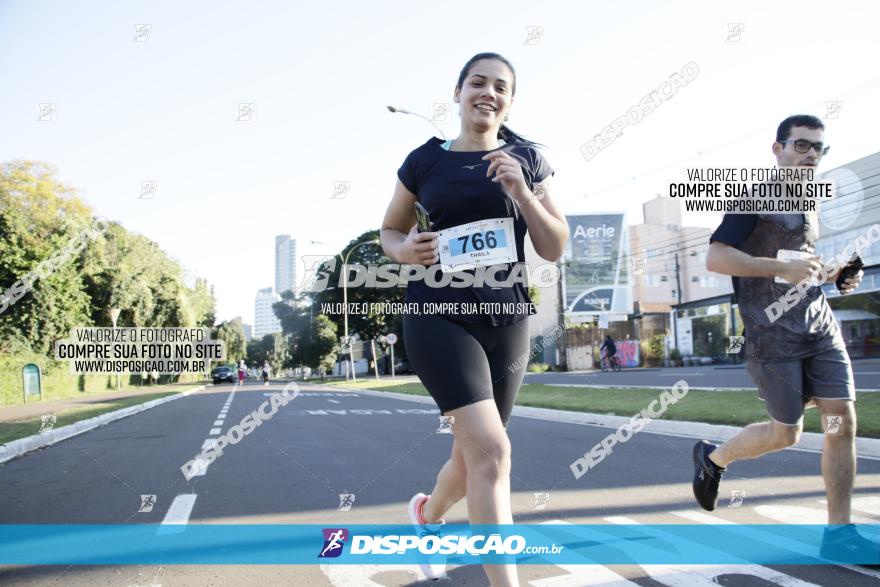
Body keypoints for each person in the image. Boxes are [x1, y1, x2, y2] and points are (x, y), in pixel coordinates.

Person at [380, 52, 568, 585]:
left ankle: (426, 515)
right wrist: (404, 249)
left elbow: (554, 246)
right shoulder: (424, 160)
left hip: (506, 319)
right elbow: (389, 230)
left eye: (500, 87)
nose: (488, 92)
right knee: (493, 451)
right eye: (478, 83)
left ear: (510, 100)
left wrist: (522, 192)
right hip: (438, 313)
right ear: (458, 92)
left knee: (474, 458)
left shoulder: (527, 158)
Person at [696, 114, 876, 562]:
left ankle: (839, 534)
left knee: (841, 422)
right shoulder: (752, 197)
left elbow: (801, 260)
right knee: (787, 434)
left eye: (819, 148)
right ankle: (715, 459)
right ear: (777, 150)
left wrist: (833, 272)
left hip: (819, 327)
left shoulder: (810, 200)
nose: (812, 154)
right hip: (772, 338)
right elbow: (717, 259)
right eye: (802, 145)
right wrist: (781, 269)